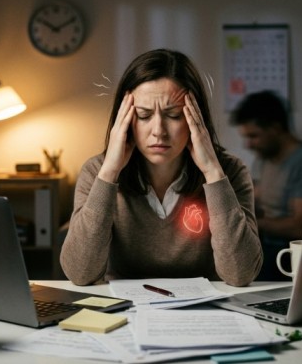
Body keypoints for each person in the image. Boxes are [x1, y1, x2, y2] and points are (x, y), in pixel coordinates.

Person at [60, 49, 262, 287]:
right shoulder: (96, 171)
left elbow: (241, 275)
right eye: (143, 116)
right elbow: (79, 273)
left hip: (206, 313)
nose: (158, 131)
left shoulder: (230, 171)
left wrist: (213, 173)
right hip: (125, 312)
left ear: (196, 118)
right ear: (124, 120)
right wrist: (109, 172)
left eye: (174, 115)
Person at [230, 90, 302, 281]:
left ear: (276, 128)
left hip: (288, 251)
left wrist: (247, 224)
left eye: (253, 136)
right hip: (264, 245)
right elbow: (257, 194)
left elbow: (301, 227)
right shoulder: (265, 159)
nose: (248, 145)